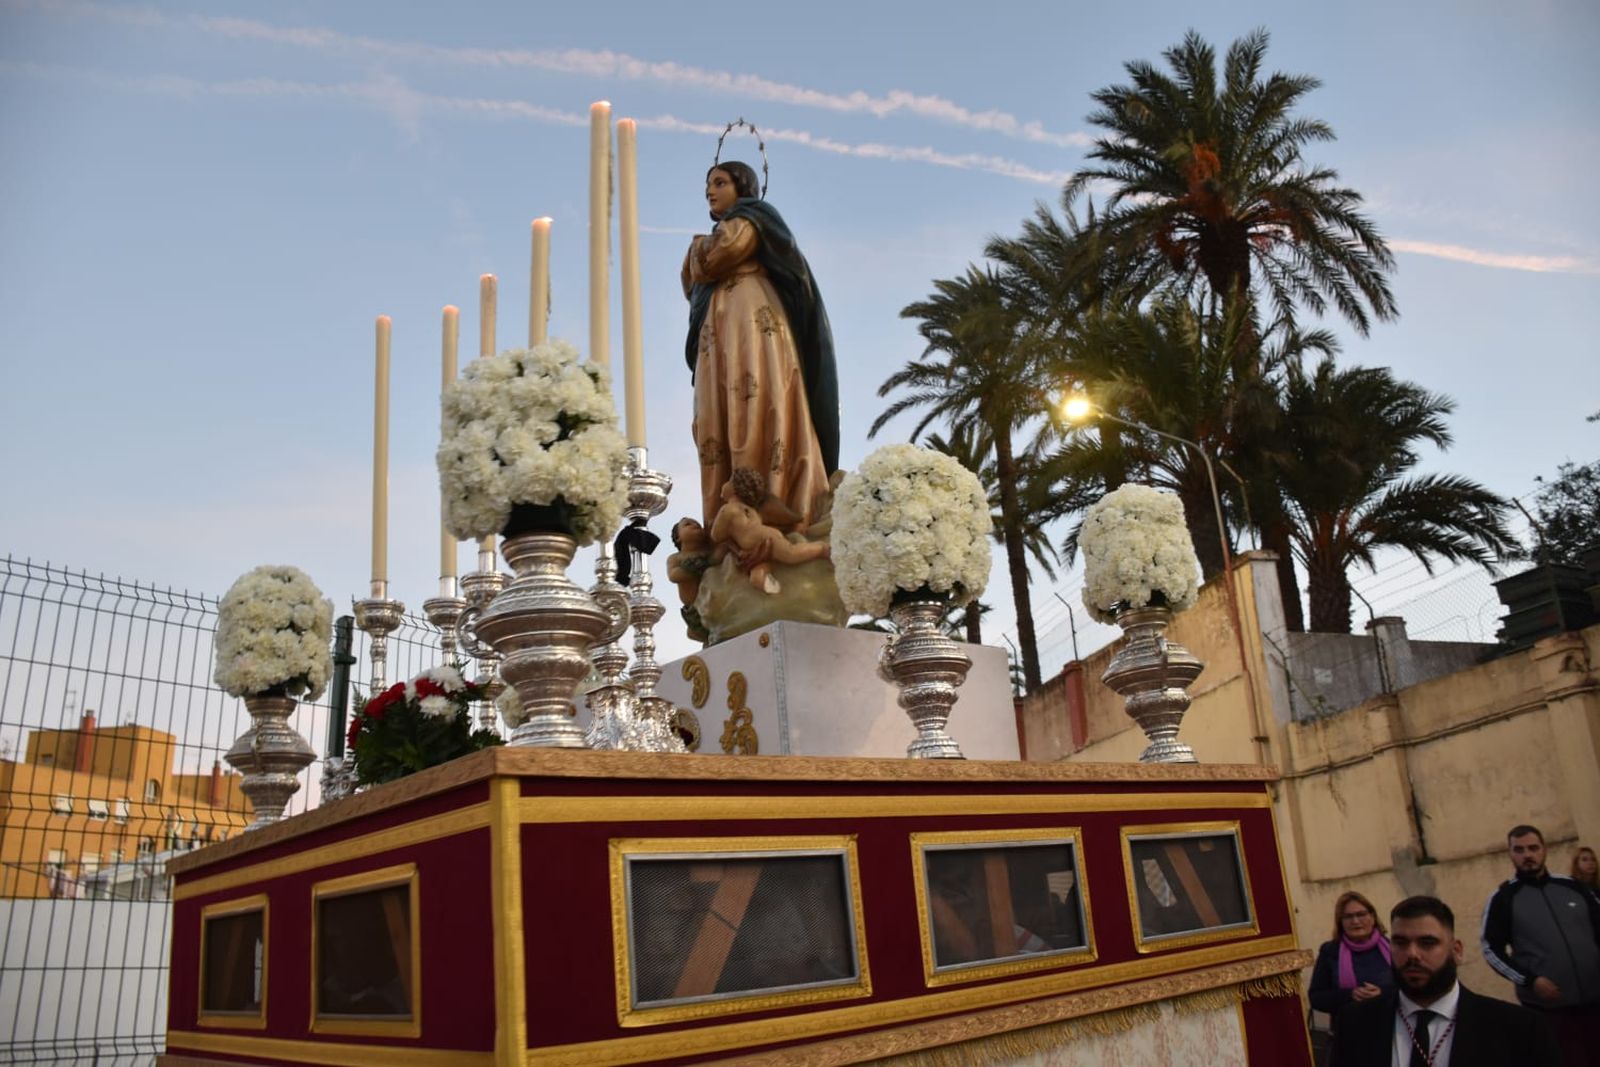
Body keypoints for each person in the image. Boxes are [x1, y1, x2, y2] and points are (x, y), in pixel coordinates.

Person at [682, 160, 840, 536]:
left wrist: (697, 247)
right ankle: (725, 517)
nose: (710, 191)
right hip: (718, 328)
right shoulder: (725, 230)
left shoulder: (751, 221)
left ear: (743, 187)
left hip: (751, 318)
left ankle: (775, 499)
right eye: (708, 185)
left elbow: (714, 257)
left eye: (720, 182)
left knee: (755, 396)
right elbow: (692, 281)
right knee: (717, 409)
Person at [1331, 895, 1559, 1066]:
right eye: (1400, 943)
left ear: (1456, 950)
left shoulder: (1518, 1029)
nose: (1412, 954)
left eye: (1427, 943)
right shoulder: (1355, 1024)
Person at [1482, 823, 1600, 1064]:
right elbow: (1491, 949)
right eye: (1519, 850)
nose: (1527, 855)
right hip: (1549, 1012)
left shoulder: (1573, 887)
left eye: (1533, 848)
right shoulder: (1503, 899)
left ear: (1544, 849)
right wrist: (1530, 981)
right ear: (1510, 854)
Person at [709, 471, 830, 596]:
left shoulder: (727, 509)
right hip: (760, 543)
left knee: (791, 553)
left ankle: (821, 548)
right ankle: (770, 586)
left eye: (729, 481)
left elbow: (715, 535)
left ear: (735, 488)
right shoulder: (752, 511)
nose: (724, 484)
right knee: (756, 577)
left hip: (766, 538)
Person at [1310, 891, 1395, 1026]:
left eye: (1361, 914)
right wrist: (1350, 995)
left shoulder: (1392, 948)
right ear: (1340, 922)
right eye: (1348, 917)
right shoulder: (1330, 952)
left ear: (1372, 917)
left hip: (1392, 1027)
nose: (1355, 921)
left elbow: (1409, 988)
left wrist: (1382, 994)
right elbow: (1316, 998)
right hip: (1349, 1030)